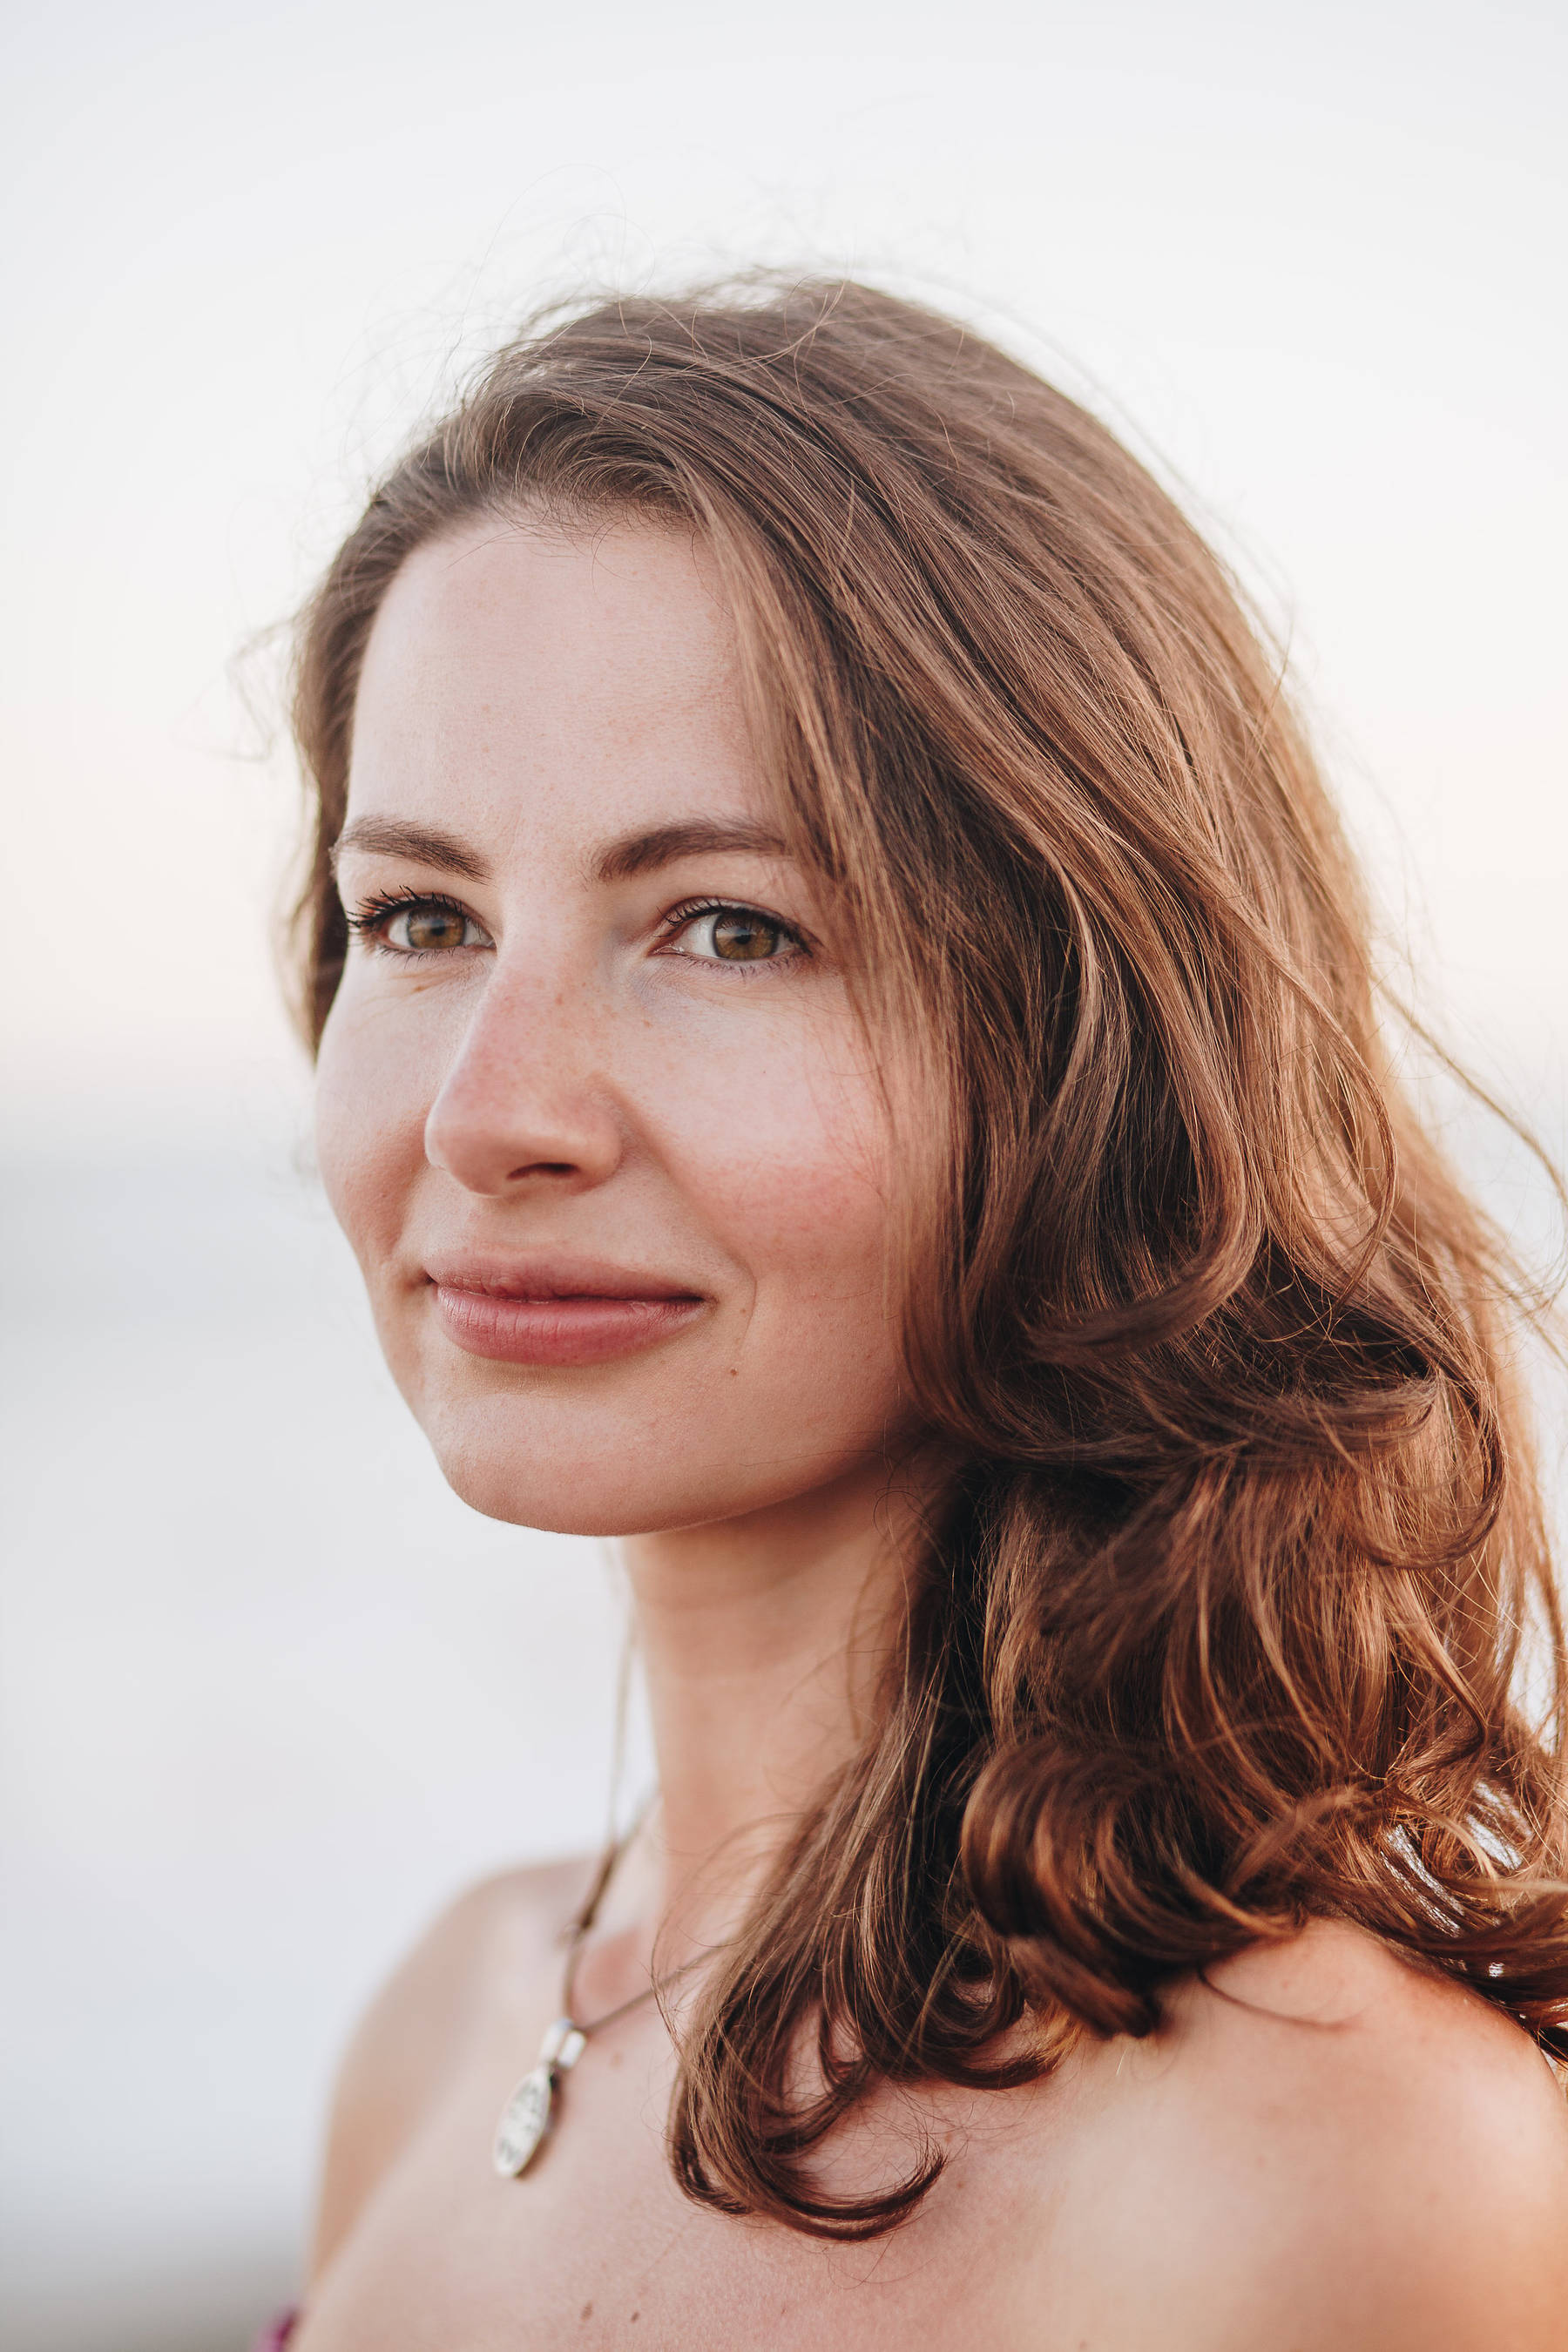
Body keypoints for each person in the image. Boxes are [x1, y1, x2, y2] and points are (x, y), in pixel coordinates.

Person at [270, 280, 1568, 2348]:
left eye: (728, 926)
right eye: (418, 917)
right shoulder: (447, 2031)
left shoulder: (1344, 2172)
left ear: (1092, 1049)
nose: (489, 1107)